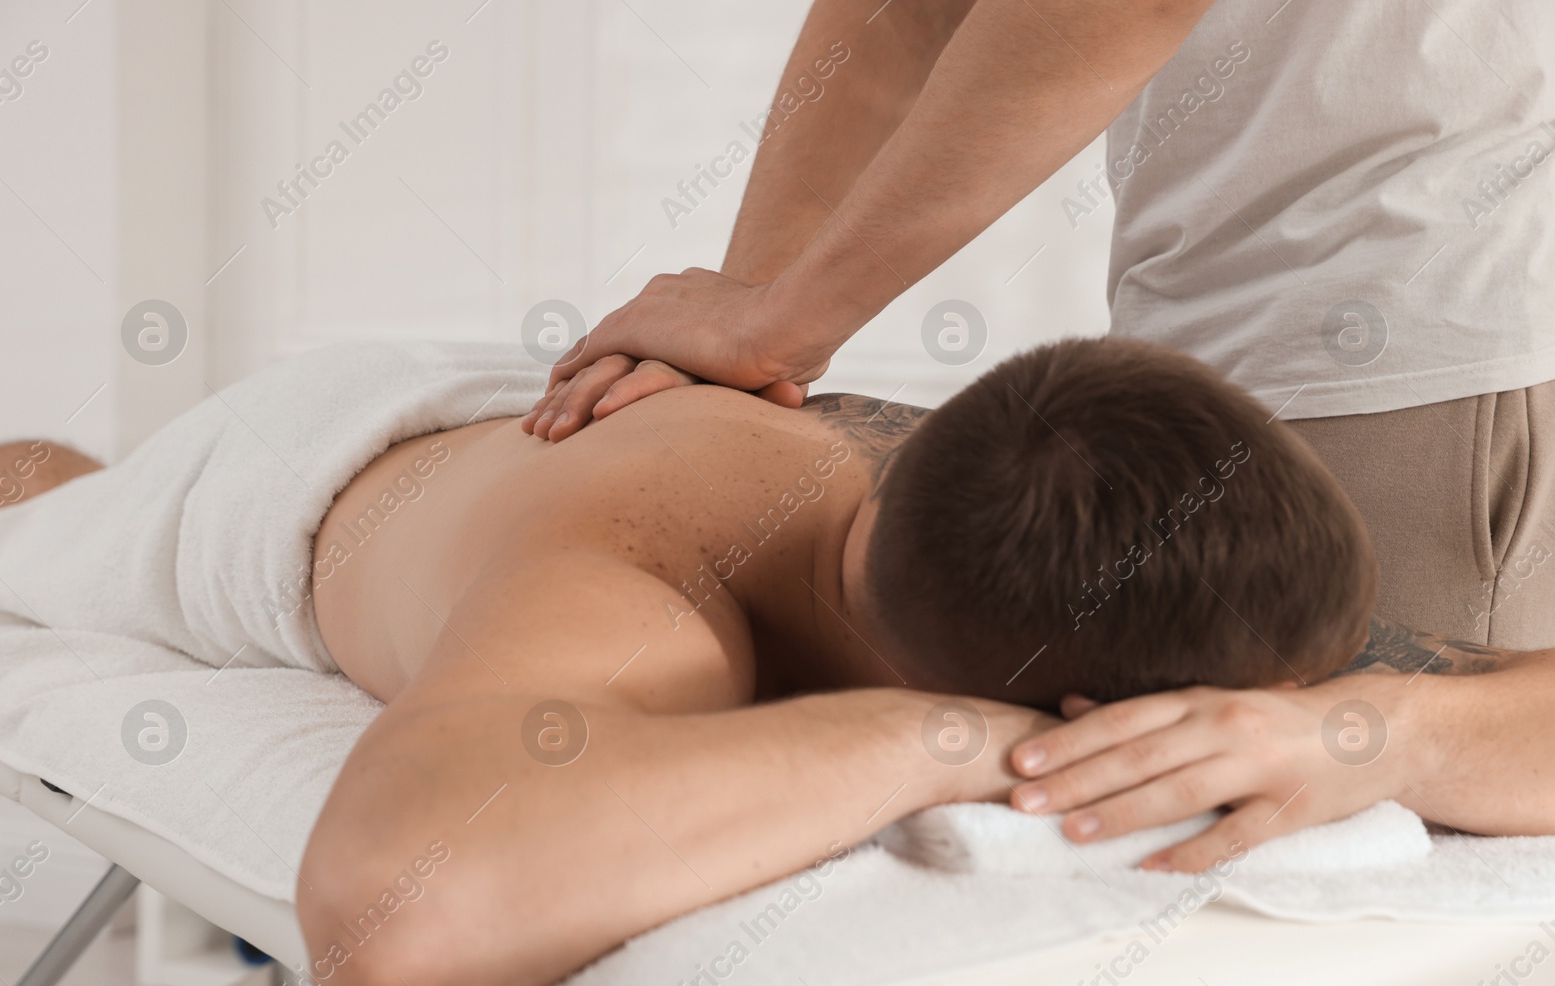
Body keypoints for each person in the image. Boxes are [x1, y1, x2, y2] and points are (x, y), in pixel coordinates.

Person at [0, 336, 1409, 986]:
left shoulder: (993, 491)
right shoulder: (638, 616)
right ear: (1072, 718)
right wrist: (942, 738)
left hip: (540, 417)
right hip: (263, 488)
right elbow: (389, 926)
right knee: (20, 509)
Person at [526, 0, 1555, 880]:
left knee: (1304, 912)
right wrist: (752, 339)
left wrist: (776, 322)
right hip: (1204, 359)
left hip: (1391, 367)